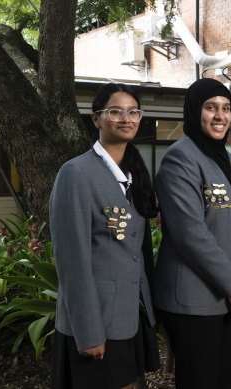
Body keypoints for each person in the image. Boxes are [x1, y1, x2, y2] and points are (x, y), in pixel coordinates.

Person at [49, 83, 160, 389]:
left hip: (129, 317)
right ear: (96, 119)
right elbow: (72, 262)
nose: (126, 118)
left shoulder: (134, 174)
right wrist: (88, 332)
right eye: (115, 111)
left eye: (133, 111)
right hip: (96, 323)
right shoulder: (76, 173)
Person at [153, 77, 231, 389]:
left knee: (220, 379)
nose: (220, 116)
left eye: (226, 108)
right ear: (195, 112)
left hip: (223, 298)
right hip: (192, 300)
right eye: (211, 107)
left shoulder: (222, 157)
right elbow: (190, 234)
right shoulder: (180, 158)